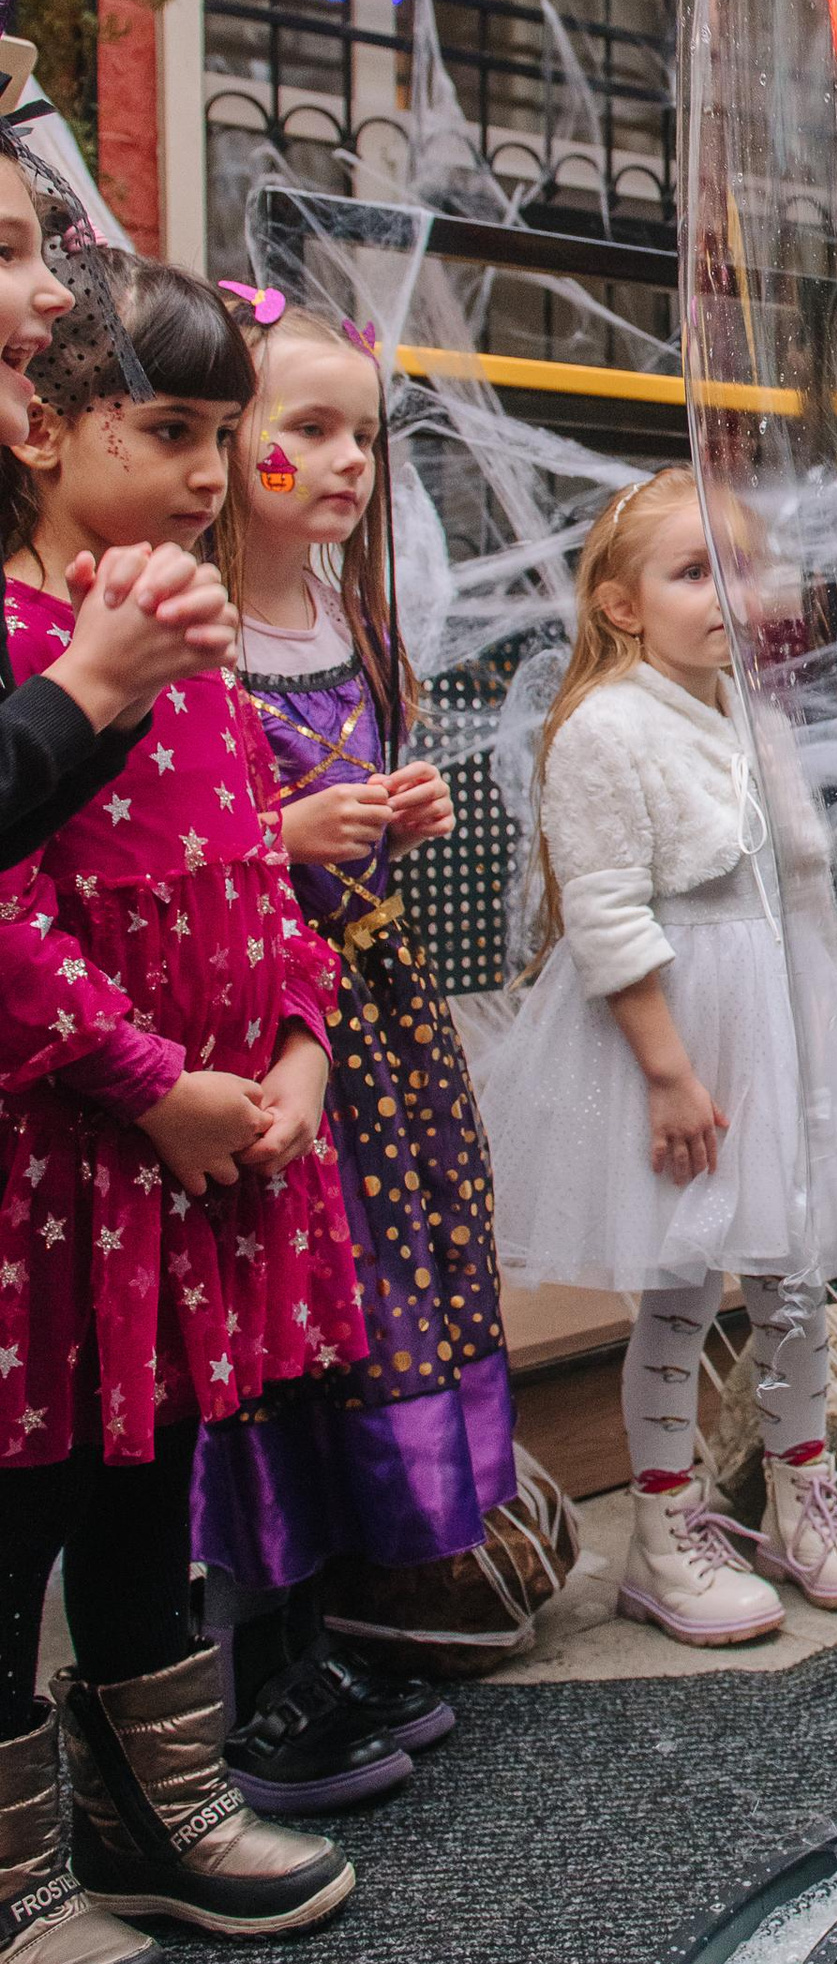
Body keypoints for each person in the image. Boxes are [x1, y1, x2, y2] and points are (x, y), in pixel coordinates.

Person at [0, 251, 362, 1964]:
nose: (210, 470)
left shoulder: (197, 635)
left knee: (152, 1476)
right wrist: (149, 1081)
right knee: (23, 1516)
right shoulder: (32, 656)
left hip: (193, 1176)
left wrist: (296, 1043)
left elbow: (257, 873)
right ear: (43, 431)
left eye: (223, 433)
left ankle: (159, 1813)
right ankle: (6, 1884)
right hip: (66, 1176)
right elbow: (14, 911)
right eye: (169, 430)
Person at [483, 473, 837, 1646]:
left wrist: (821, 1042)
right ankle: (663, 1529)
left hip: (774, 1027)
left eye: (741, 569)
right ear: (623, 606)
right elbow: (608, 914)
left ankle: (801, 1494)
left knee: (794, 1284)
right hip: (676, 1039)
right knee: (677, 1291)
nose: (728, 596)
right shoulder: (607, 726)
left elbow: (803, 885)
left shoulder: (749, 712)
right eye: (694, 574)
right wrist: (671, 1073)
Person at [204, 296, 514, 1816]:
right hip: (263, 1031)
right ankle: (250, 1670)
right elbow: (164, 851)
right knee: (280, 1326)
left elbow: (359, 810)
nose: (344, 463)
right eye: (307, 430)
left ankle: (334, 1626)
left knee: (373, 1302)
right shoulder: (192, 638)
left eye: (363, 435)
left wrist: (399, 817)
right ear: (226, 444)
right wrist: (278, 837)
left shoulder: (356, 621)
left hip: (378, 1021)